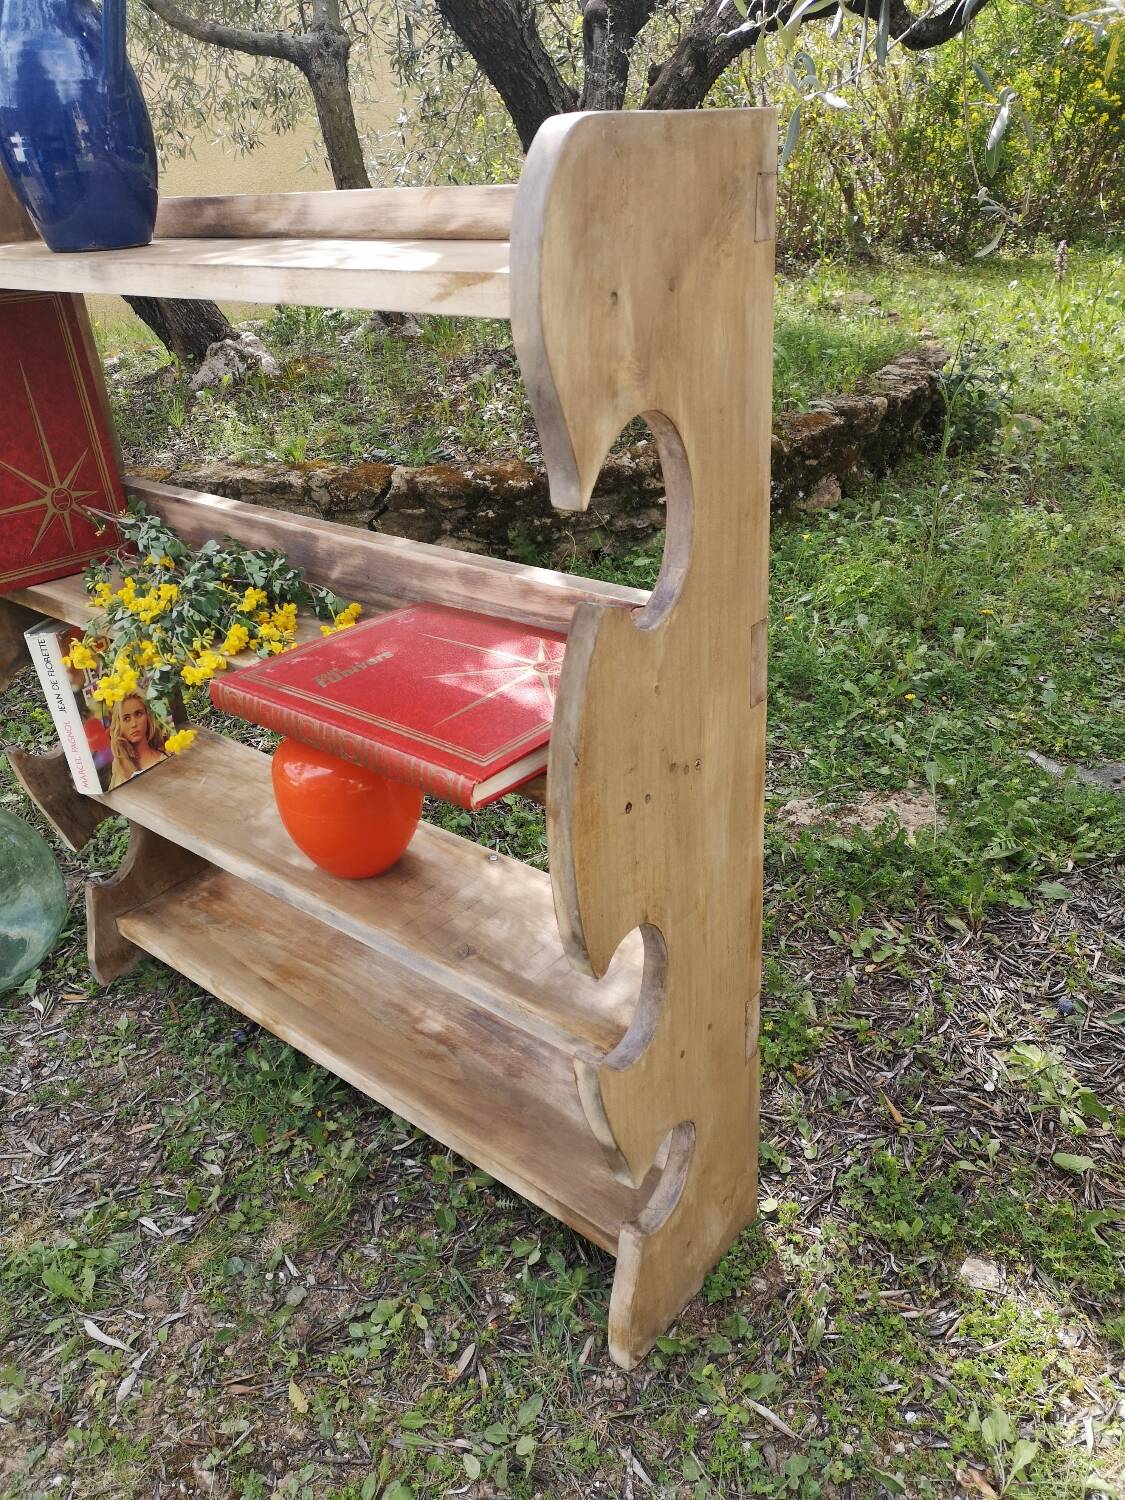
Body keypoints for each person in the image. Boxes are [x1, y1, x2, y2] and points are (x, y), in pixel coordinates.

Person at [108, 693, 167, 789]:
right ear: (119, 725)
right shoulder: (119, 766)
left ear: (147, 717)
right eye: (126, 718)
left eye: (138, 714)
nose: (134, 724)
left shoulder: (164, 757)